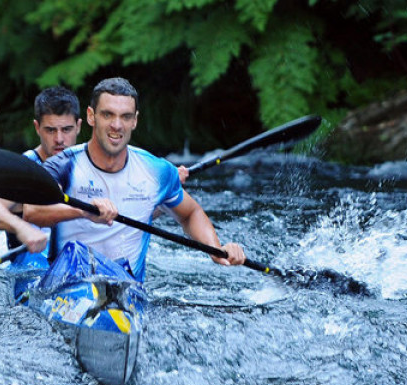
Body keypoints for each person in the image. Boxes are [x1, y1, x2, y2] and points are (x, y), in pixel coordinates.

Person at [22, 77, 245, 282]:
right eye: (108, 114)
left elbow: (190, 213)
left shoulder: (157, 171)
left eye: (125, 116)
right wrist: (82, 211)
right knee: (77, 256)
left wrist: (216, 248)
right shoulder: (62, 164)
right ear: (91, 116)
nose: (116, 125)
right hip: (65, 285)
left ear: (135, 121)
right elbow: (32, 211)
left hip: (127, 292)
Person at [0, 86, 82, 301]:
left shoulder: (90, 166)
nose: (59, 139)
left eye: (66, 130)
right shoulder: (22, 170)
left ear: (79, 126)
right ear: (37, 128)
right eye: (51, 130)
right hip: (30, 272)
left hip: (75, 268)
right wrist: (21, 228)